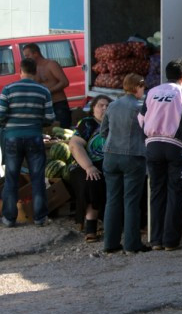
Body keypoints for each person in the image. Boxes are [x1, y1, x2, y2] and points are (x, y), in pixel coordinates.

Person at [139, 58, 182, 251]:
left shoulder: (152, 92)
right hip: (177, 147)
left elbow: (141, 120)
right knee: (175, 192)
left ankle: (156, 240)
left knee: (157, 191)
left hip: (153, 146)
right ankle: (170, 241)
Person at [0, 58, 55, 227]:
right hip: (34, 137)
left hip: (12, 138)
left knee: (11, 178)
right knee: (38, 178)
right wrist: (37, 123)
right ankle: (40, 218)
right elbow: (50, 118)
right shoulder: (43, 91)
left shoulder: (8, 89)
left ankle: (9, 218)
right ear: (36, 71)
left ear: (20, 71)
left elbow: (0, 115)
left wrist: (9, 124)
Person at [101, 73, 149, 253]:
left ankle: (110, 244)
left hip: (111, 156)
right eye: (143, 87)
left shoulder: (112, 105)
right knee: (131, 201)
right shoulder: (140, 107)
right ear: (139, 86)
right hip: (133, 157)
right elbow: (148, 131)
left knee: (112, 200)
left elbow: (104, 131)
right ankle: (131, 244)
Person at [70, 95, 111, 241]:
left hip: (109, 164)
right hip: (84, 164)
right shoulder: (87, 124)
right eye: (101, 105)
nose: (104, 108)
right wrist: (89, 166)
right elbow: (75, 145)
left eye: (107, 105)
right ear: (93, 108)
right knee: (92, 181)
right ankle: (91, 227)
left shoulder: (114, 124)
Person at [23, 43, 71, 128]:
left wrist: (48, 91)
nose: (26, 58)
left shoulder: (51, 64)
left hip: (58, 103)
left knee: (63, 130)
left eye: (27, 56)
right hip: (44, 106)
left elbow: (64, 82)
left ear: (36, 53)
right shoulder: (33, 69)